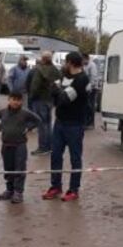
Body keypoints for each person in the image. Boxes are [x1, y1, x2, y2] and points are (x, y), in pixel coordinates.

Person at [43, 52, 90, 202]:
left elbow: (64, 99)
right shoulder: (64, 76)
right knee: (55, 155)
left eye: (65, 62)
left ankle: (73, 189)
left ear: (70, 62)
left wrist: (57, 91)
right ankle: (55, 186)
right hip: (59, 122)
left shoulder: (82, 79)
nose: (64, 64)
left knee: (75, 158)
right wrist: (56, 91)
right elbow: (54, 95)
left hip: (75, 124)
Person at [0, 91, 41, 204]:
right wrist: (0, 128)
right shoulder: (3, 112)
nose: (15, 102)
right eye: (13, 99)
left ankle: (18, 192)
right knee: (8, 168)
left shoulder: (25, 113)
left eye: (18, 100)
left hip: (20, 146)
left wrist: (28, 128)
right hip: (6, 145)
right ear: (9, 99)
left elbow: (38, 120)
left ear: (22, 101)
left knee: (19, 169)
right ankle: (9, 190)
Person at [28, 51, 61, 156]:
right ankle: (49, 146)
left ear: (43, 58)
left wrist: (31, 97)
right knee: (48, 124)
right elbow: (59, 84)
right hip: (50, 100)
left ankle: (42, 147)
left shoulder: (39, 70)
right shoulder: (55, 70)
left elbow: (35, 86)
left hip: (39, 100)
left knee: (41, 124)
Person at [82, 52, 101, 129]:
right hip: (86, 89)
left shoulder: (92, 65)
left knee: (90, 106)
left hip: (92, 89)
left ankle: (90, 124)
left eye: (83, 60)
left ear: (86, 58)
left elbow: (93, 78)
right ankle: (86, 123)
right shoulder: (84, 65)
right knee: (86, 106)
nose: (82, 61)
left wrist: (90, 87)